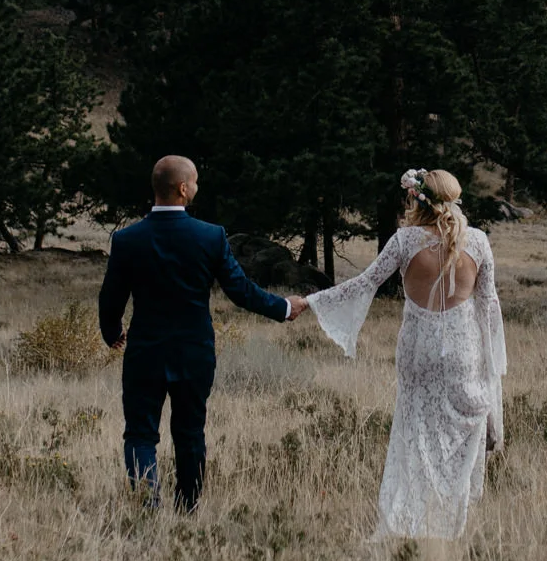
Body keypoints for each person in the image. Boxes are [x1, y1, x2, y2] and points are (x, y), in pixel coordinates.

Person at [299, 168, 508, 539]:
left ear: (416, 198)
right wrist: (491, 373)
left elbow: (365, 283)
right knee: (461, 432)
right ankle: (448, 524)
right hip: (463, 351)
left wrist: (312, 301)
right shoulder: (477, 241)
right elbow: (489, 307)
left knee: (415, 433)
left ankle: (409, 520)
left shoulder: (404, 240)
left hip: (417, 351)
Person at [98, 154, 305, 511]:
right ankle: (187, 508)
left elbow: (111, 295)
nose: (197, 187)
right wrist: (283, 308)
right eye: (194, 181)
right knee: (190, 432)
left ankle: (146, 508)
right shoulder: (210, 236)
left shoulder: (127, 239)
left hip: (145, 351)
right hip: (194, 352)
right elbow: (240, 290)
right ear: (182, 189)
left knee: (139, 433)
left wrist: (112, 331)